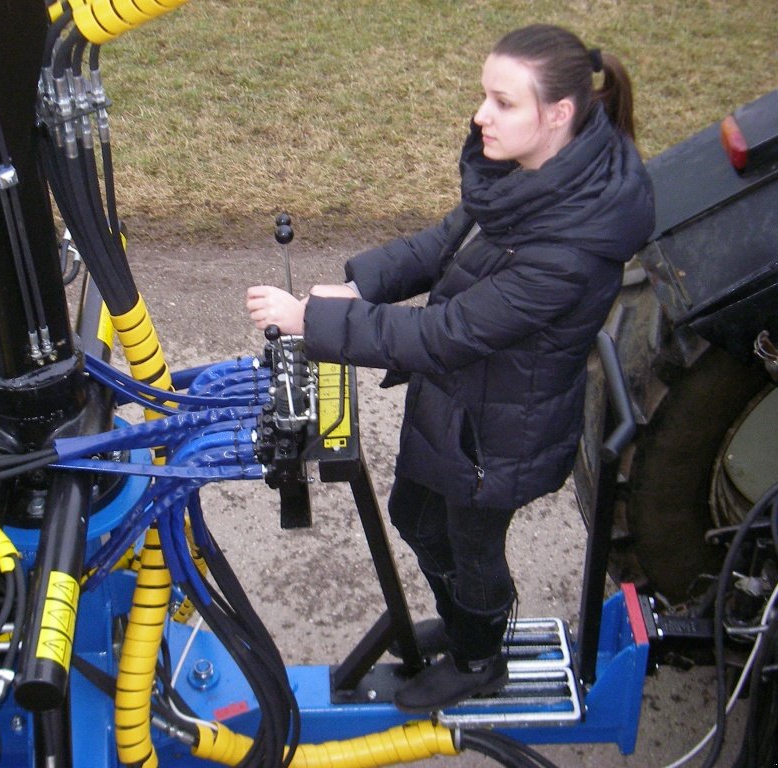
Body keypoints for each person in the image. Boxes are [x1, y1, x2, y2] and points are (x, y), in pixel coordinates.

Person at [246, 23, 655, 713]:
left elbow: (446, 333)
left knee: (471, 546)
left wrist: (308, 322)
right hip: (462, 406)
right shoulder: (529, 174)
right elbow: (445, 242)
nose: (480, 115)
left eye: (502, 102)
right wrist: (359, 287)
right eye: (483, 97)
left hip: (498, 438)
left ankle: (476, 656)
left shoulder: (572, 246)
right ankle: (471, 621)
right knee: (413, 513)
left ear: (558, 115)